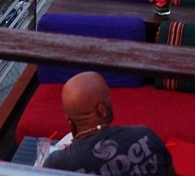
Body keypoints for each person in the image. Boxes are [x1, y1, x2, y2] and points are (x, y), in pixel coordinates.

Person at [43, 71, 175, 176]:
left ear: (69, 120)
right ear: (102, 110)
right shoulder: (145, 136)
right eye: (108, 96)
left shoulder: (57, 164)